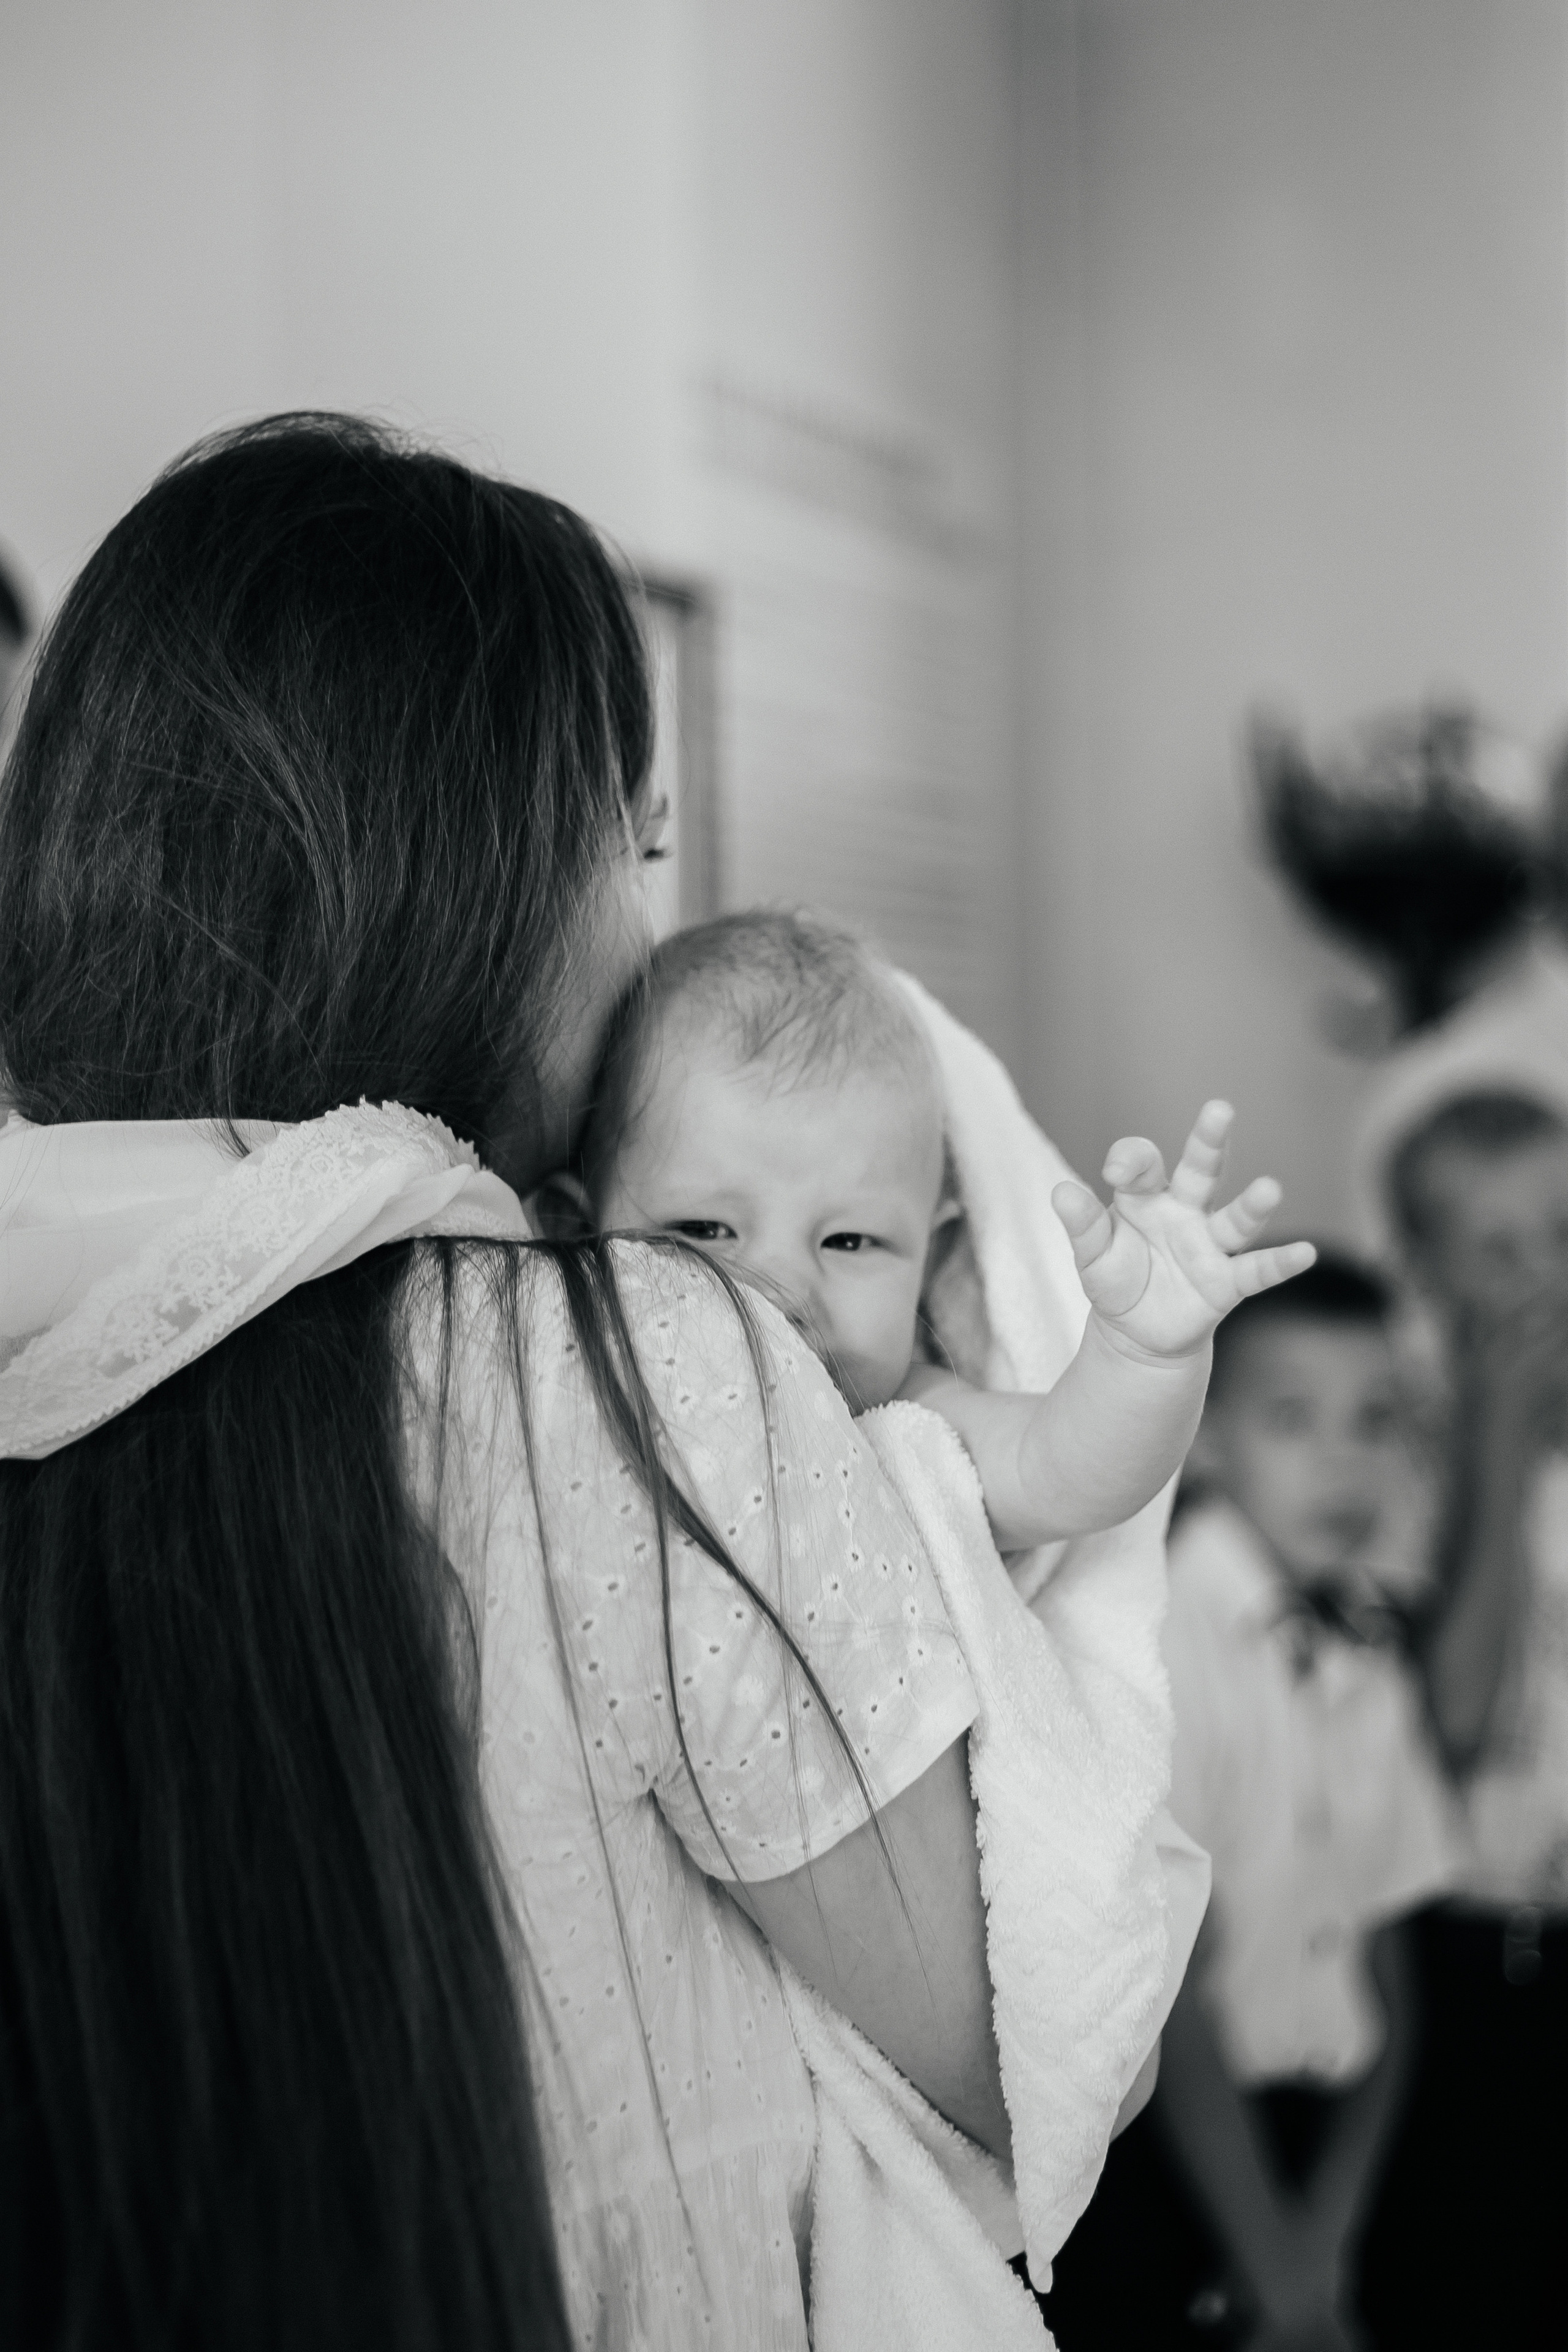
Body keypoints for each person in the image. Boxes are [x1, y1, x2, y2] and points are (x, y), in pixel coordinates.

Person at [0, 416, 1160, 2351]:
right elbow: (1035, 2048)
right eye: (635, 848)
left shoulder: (47, 1327)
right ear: (480, 888)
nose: (645, 932)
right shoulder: (627, 1367)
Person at [578, 908, 1314, 1556]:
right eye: (705, 1230)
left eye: (849, 1241)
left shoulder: (904, 1424)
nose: (780, 1293)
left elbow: (1061, 1473)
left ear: (934, 1259)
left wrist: (1144, 1353)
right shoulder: (562, 1380)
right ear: (572, 1227)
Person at [1038, 1254, 1459, 2352]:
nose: (1343, 1461)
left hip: (1316, 2160)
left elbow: (1387, 1964)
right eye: (1292, 1419)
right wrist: (1276, 2268)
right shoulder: (1166, 1640)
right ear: (1210, 1436)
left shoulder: (1370, 1638)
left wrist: (1327, 2239)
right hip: (1171, 2155)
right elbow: (1170, 1996)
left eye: (1376, 1420)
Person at [1356, 1088, 1568, 2350]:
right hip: (1476, 1969)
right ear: (1423, 1277)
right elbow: (1445, 1737)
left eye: (1561, 1232)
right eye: (1496, 1249)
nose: (1542, 1276)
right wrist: (1498, 1447)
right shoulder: (1392, 1466)